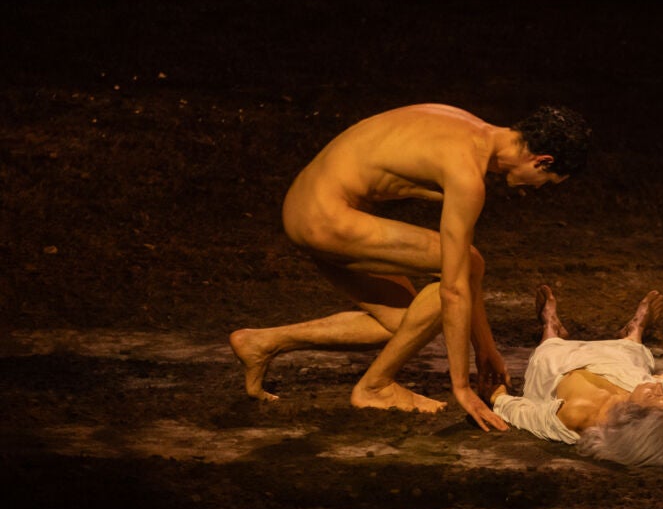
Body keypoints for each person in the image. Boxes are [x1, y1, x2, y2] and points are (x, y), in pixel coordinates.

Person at [230, 103, 591, 432]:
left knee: (404, 323)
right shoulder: (466, 173)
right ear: (542, 161)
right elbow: (454, 287)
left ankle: (261, 343)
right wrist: (462, 387)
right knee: (461, 268)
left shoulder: (466, 125)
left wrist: (486, 349)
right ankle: (375, 387)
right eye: (547, 182)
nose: (536, 189)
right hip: (324, 216)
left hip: (307, 204)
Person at [486, 285, 663, 468]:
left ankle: (551, 327)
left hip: (562, 365)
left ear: (632, 417)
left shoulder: (580, 414)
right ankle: (634, 332)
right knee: (633, 362)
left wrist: (499, 399)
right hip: (617, 371)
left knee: (547, 354)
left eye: (654, 397)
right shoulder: (645, 395)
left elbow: (531, 416)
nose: (658, 390)